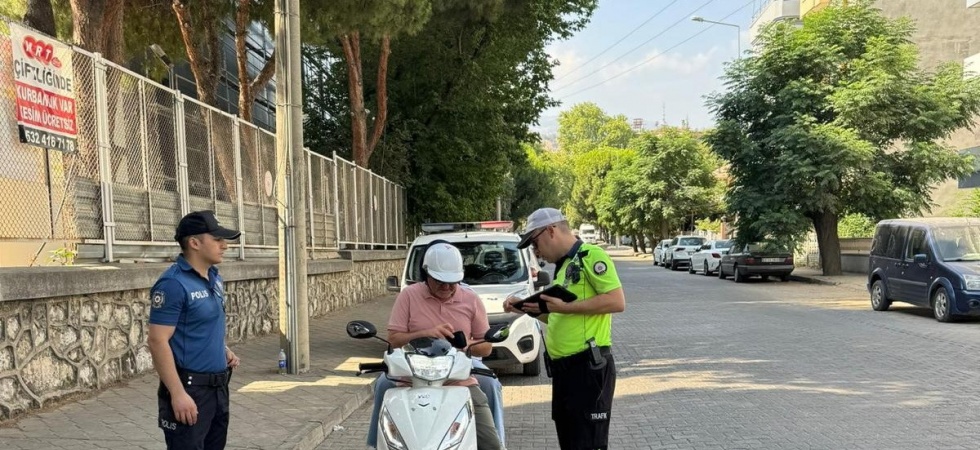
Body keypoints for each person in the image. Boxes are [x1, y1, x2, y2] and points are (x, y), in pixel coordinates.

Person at [505, 207, 625, 450]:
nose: (535, 251)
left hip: (588, 368)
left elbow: (616, 301)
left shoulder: (591, 255)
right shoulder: (563, 266)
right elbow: (561, 316)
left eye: (534, 243)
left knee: (588, 444)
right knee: (570, 442)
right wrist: (528, 309)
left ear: (550, 231)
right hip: (565, 371)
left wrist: (564, 308)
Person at [366, 242, 502, 450]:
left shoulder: (471, 299)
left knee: (490, 386)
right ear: (426, 274)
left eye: (453, 282)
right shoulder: (409, 296)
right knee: (383, 384)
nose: (447, 287)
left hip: (458, 374)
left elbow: (486, 347)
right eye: (440, 281)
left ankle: (497, 440)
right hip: (413, 373)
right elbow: (393, 339)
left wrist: (461, 345)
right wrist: (426, 334)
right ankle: (374, 443)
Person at [148, 210, 242, 450]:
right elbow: (158, 341)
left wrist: (222, 348)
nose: (225, 246)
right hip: (190, 390)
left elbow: (200, 323)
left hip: (218, 389)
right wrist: (177, 394)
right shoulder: (173, 284)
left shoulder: (214, 277)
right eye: (217, 239)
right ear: (194, 243)